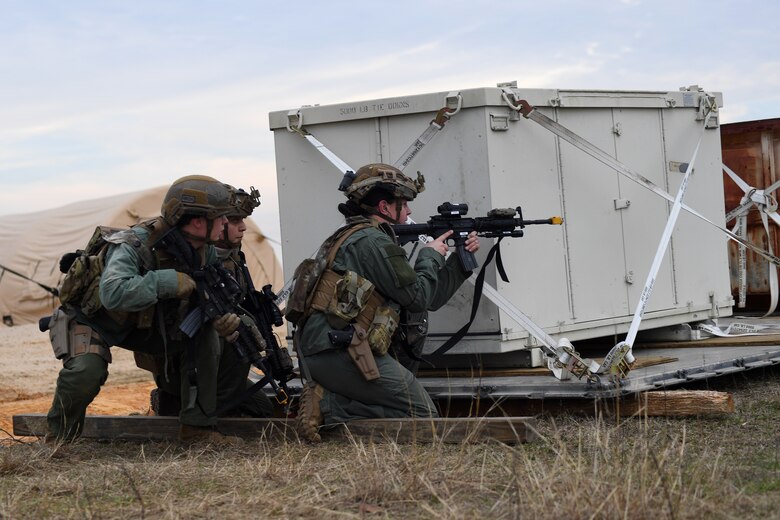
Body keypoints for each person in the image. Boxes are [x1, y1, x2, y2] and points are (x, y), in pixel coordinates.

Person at [45, 175, 245, 446]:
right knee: (86, 371)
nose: (227, 223)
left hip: (144, 324)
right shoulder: (134, 244)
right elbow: (113, 293)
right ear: (198, 221)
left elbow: (207, 292)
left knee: (207, 334)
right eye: (222, 217)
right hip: (94, 320)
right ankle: (58, 439)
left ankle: (196, 429)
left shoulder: (204, 251)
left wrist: (219, 317)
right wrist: (167, 281)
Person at [292, 163, 480, 441]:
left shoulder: (360, 237)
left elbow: (430, 299)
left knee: (417, 412)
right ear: (384, 207)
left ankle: (333, 399)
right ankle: (330, 404)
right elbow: (417, 297)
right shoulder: (372, 242)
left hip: (331, 347)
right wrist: (430, 256)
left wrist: (458, 263)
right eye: (402, 204)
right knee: (422, 415)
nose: (409, 212)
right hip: (336, 349)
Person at [146, 184, 275, 419]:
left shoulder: (230, 261)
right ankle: (181, 405)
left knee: (262, 408)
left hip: (216, 362)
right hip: (182, 360)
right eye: (233, 221)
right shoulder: (188, 258)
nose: (241, 227)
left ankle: (198, 406)